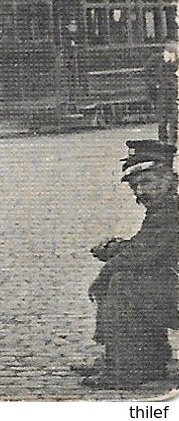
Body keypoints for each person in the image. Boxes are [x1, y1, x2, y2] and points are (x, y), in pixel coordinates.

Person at [81, 140, 178, 389]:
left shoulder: (170, 211)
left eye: (146, 183)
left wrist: (111, 253)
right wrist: (117, 250)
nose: (140, 192)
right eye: (135, 186)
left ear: (169, 178)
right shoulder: (166, 206)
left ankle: (128, 369)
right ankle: (146, 360)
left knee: (125, 283)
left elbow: (142, 254)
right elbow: (145, 248)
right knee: (132, 278)